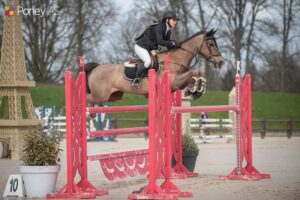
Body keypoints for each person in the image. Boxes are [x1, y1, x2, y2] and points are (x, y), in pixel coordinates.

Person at [131, 11, 181, 88]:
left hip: (149, 48)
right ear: (167, 20)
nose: (175, 22)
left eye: (176, 20)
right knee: (148, 61)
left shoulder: (168, 31)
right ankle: (136, 79)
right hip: (140, 46)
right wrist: (173, 43)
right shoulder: (159, 27)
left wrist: (177, 47)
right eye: (173, 20)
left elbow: (168, 46)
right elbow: (160, 41)